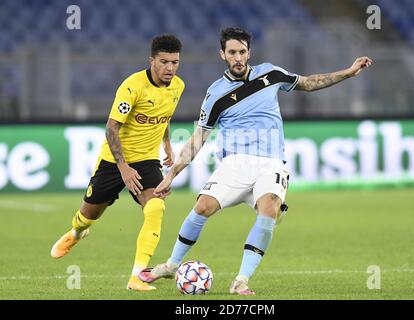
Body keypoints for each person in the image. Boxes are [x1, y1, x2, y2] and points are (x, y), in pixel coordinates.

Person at [138, 27, 373, 295]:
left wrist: (348, 72)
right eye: (232, 53)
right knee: (203, 206)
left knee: (268, 209)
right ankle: (171, 264)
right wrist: (171, 174)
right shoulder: (216, 94)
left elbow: (308, 83)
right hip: (235, 163)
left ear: (249, 52)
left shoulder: (271, 74)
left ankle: (241, 280)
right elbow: (198, 139)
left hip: (272, 162)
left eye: (241, 52)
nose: (237, 58)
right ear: (222, 55)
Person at [50, 34, 185, 291]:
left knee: (156, 207)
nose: (170, 68)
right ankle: (77, 233)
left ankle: (137, 276)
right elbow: (111, 128)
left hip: (147, 161)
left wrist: (167, 143)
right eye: (164, 62)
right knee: (89, 215)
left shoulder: (178, 86)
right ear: (152, 61)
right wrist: (123, 168)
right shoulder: (132, 86)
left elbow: (164, 114)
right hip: (114, 161)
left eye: (175, 62)